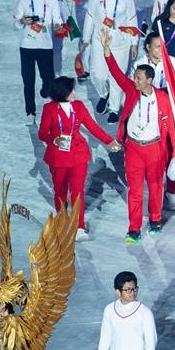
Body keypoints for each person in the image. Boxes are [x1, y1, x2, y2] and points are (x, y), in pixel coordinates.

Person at [100, 29, 175, 243]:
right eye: (135, 77)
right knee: (134, 190)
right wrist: (107, 50)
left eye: (139, 78)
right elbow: (116, 73)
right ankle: (134, 228)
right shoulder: (131, 90)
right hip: (134, 148)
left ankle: (155, 219)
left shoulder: (163, 98)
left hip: (155, 149)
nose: (134, 80)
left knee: (155, 186)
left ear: (150, 80)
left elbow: (170, 127)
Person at [39, 76, 120, 240]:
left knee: (78, 192)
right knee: (61, 192)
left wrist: (109, 141)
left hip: (78, 156)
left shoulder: (79, 106)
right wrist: (54, 140)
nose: (74, 92)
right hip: (58, 157)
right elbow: (42, 134)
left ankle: (79, 226)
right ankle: (62, 222)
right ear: (62, 93)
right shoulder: (49, 109)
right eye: (71, 90)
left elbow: (92, 127)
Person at [81, 0, 138, 124]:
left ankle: (113, 108)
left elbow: (132, 20)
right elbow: (90, 17)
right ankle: (103, 94)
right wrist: (85, 39)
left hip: (120, 42)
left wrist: (134, 43)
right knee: (97, 74)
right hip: (100, 39)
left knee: (116, 76)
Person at [13, 0, 62, 124]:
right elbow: (16, 23)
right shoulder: (24, 1)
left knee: (48, 79)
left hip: (45, 44)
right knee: (28, 80)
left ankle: (46, 91)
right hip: (27, 45)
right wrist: (21, 22)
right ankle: (30, 111)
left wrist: (57, 26)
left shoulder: (52, 0)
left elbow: (58, 19)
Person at [97, 271, 157, 350]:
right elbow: (105, 338)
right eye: (128, 290)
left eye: (134, 288)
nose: (132, 292)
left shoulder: (145, 312)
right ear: (118, 292)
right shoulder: (109, 309)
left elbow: (151, 343)